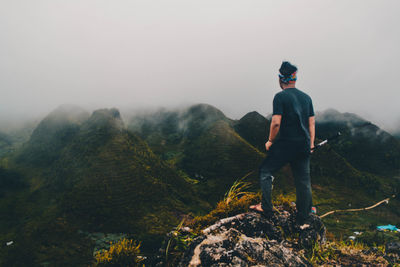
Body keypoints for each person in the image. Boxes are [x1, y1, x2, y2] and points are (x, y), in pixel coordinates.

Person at [250, 61, 315, 225]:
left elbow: (276, 122)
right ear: (295, 78)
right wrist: (311, 144)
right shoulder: (307, 98)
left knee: (266, 171)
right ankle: (304, 215)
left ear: (281, 79)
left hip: (287, 143)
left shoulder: (280, 97)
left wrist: (270, 140)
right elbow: (312, 124)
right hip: (304, 144)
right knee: (303, 180)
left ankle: (266, 207)